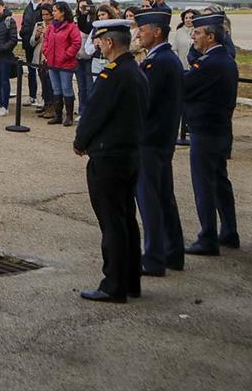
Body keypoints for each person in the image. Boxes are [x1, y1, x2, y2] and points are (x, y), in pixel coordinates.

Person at [73, 19, 147, 303]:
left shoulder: (113, 74)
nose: (98, 46)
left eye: (100, 41)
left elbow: (94, 113)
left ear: (110, 43)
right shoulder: (135, 71)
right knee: (126, 218)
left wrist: (81, 142)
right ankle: (130, 280)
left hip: (109, 156)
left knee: (112, 222)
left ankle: (113, 283)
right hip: (129, 154)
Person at [182, 12, 240, 256]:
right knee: (219, 182)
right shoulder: (223, 59)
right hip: (219, 130)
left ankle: (208, 237)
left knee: (204, 185)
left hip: (205, 131)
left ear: (211, 37)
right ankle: (228, 231)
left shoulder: (211, 63)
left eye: (198, 33)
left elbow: (184, 86)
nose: (193, 37)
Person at [133, 10, 185, 276]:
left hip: (151, 140)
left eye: (142, 29)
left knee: (150, 199)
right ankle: (173, 252)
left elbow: (145, 102)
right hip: (160, 139)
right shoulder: (164, 59)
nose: (138, 34)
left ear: (157, 31)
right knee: (164, 196)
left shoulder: (160, 62)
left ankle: (154, 257)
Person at [43, 1, 82, 126]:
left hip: (66, 63)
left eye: (55, 11)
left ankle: (69, 116)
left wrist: (66, 55)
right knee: (56, 89)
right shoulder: (51, 27)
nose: (53, 13)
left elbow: (76, 43)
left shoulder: (71, 26)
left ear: (63, 12)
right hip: (52, 62)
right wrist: (46, 52)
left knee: (66, 88)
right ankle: (58, 115)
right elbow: (46, 41)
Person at [19, 0, 42, 106]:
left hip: (39, 42)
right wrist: (23, 33)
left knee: (42, 71)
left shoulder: (43, 6)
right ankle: (32, 96)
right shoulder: (28, 7)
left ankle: (44, 98)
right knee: (31, 71)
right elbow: (24, 23)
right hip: (28, 41)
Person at [74, 0, 96, 119]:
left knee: (89, 86)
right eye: (80, 5)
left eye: (85, 6)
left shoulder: (93, 19)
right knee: (81, 86)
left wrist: (86, 14)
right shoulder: (76, 18)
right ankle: (82, 109)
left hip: (89, 56)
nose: (82, 8)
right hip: (78, 55)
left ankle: (88, 111)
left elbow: (86, 29)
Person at [30, 4, 53, 116]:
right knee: (43, 82)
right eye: (43, 14)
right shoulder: (38, 25)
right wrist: (37, 35)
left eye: (47, 14)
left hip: (50, 57)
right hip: (39, 56)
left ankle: (52, 106)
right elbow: (32, 42)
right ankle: (46, 103)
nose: (44, 17)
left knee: (50, 83)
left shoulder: (55, 25)